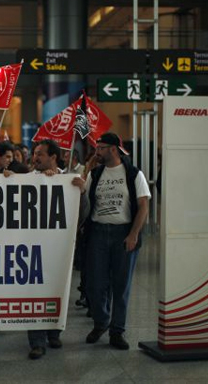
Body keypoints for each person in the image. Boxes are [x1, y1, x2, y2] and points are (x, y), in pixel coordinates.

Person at [73, 132, 150, 350]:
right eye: (97, 147)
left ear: (114, 149)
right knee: (95, 284)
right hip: (97, 233)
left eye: (101, 148)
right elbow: (86, 203)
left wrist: (134, 234)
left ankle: (117, 330)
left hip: (123, 233)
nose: (97, 151)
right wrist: (80, 190)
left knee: (121, 285)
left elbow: (144, 205)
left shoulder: (134, 174)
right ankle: (101, 322)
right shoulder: (95, 174)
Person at [26, 139, 64, 359]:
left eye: (40, 154)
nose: (35, 157)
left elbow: (83, 213)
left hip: (58, 247)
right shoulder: (26, 179)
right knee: (35, 293)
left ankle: (54, 332)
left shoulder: (68, 180)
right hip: (33, 248)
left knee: (56, 289)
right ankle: (36, 341)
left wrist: (81, 191)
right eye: (34, 153)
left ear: (53, 158)